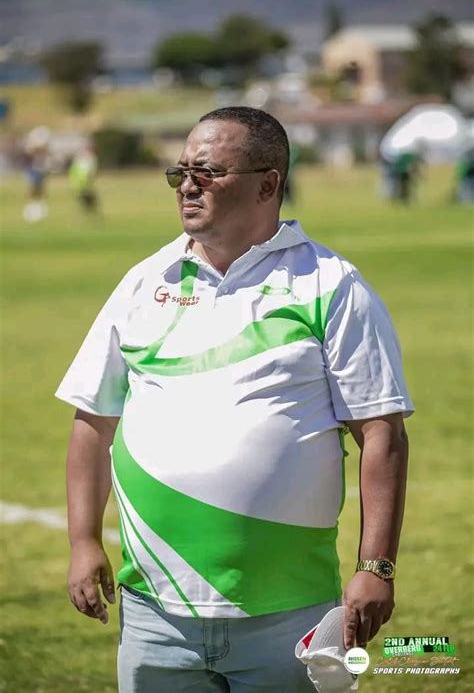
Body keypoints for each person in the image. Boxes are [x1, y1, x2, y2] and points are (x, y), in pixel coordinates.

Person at [56, 106, 413, 692]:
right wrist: (83, 541)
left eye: (207, 172)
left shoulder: (331, 285)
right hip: (153, 612)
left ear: (268, 184)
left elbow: (382, 434)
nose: (187, 186)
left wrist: (376, 567)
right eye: (180, 173)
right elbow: (92, 422)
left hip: (289, 613)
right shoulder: (143, 282)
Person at [68, 142, 101, 217]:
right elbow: (88, 170)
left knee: (85, 195)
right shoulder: (90, 158)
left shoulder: (85, 157)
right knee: (87, 195)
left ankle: (88, 210)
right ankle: (89, 210)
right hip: (83, 179)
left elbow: (74, 168)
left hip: (81, 179)